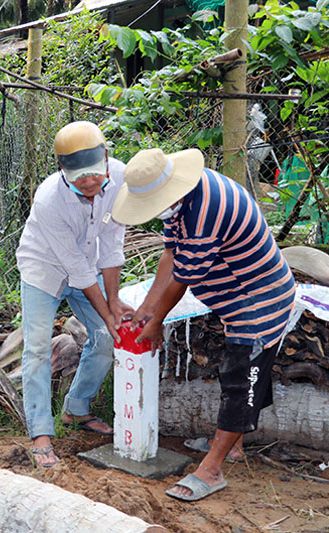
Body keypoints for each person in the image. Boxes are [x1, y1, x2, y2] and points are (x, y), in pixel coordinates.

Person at [111, 147, 295, 501]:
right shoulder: (179, 198)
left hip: (259, 300)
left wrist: (157, 322)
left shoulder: (205, 210)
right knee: (247, 371)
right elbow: (170, 253)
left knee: (241, 377)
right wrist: (146, 310)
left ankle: (211, 469)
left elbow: (181, 279)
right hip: (238, 300)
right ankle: (234, 446)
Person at [16, 121, 134, 468]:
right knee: (37, 348)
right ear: (62, 170)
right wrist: (108, 309)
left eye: (94, 174)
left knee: (104, 336)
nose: (88, 183)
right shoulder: (49, 198)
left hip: (89, 264)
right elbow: (77, 271)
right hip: (44, 269)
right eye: (78, 177)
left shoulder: (120, 179)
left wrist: (113, 304)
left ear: (107, 160)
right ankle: (40, 434)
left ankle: (76, 409)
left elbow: (112, 244)